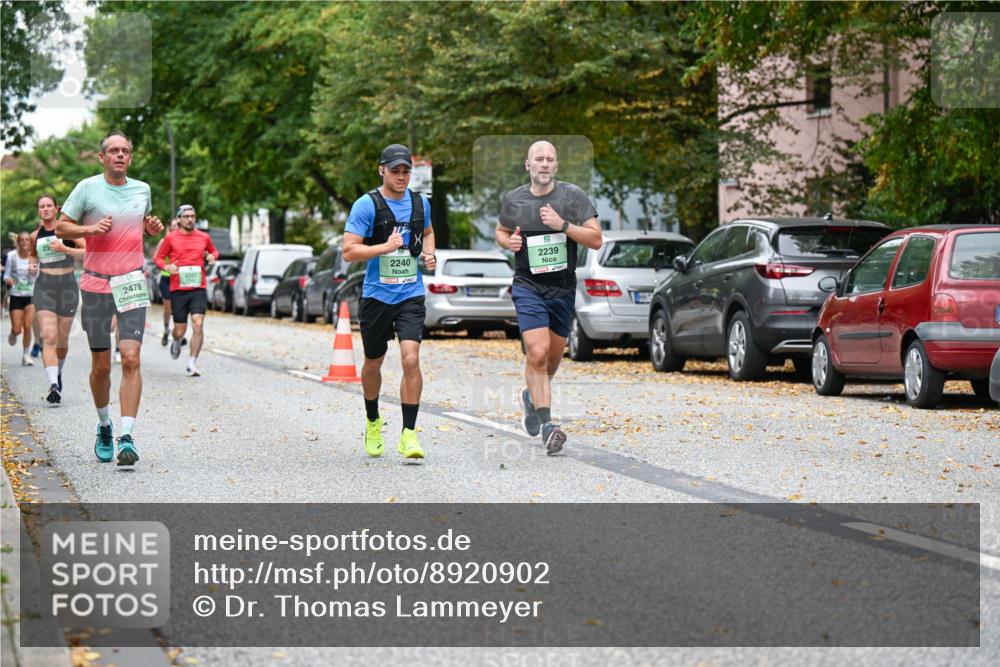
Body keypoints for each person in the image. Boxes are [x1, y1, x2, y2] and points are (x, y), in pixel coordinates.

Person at [55, 131, 163, 466]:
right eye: (113, 150)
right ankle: (104, 425)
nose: (120, 155)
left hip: (131, 282)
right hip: (96, 285)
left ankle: (126, 436)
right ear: (102, 157)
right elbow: (61, 227)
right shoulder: (87, 189)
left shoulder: (142, 190)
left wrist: (149, 229)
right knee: (101, 366)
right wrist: (89, 230)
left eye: (125, 151)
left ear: (130, 157)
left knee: (131, 358)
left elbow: (138, 226)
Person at [495, 140, 602, 455]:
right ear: (528, 165)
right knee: (538, 352)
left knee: (553, 359)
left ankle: (531, 397)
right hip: (528, 285)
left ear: (556, 165)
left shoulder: (573, 197)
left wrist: (563, 225)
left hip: (563, 288)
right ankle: (547, 426)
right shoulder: (514, 199)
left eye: (549, 159)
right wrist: (508, 243)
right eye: (538, 159)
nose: (544, 164)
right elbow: (501, 231)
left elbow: (596, 239)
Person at [342, 144, 436, 460]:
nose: (401, 176)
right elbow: (349, 251)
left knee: (411, 359)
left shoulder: (420, 203)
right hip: (376, 296)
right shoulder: (366, 205)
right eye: (395, 170)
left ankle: (409, 434)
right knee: (373, 362)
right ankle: (372, 420)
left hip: (410, 293)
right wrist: (383, 247)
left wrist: (429, 253)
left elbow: (428, 232)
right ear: (381, 170)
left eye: (406, 170)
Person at [31, 194, 85, 404]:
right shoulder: (35, 235)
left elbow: (88, 251)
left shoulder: (68, 230)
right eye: (41, 206)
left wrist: (66, 249)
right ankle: (53, 384)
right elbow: (33, 258)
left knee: (62, 341)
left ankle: (58, 372)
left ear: (56, 209)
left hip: (67, 287)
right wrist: (32, 267)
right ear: (38, 211)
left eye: (48, 205)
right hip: (44, 287)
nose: (45, 209)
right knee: (49, 336)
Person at [154, 204, 218, 376]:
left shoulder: (204, 237)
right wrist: (167, 266)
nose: (190, 219)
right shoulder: (170, 238)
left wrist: (211, 256)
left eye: (192, 216)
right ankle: (176, 340)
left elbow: (214, 252)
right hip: (178, 289)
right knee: (180, 330)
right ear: (179, 219)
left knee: (198, 323)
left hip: (198, 287)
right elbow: (159, 258)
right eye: (186, 216)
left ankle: (192, 363)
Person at [4, 231, 39, 366]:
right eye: (22, 240)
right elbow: (6, 275)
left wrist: (34, 273)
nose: (25, 242)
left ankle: (26, 355)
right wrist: (9, 280)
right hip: (16, 296)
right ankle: (13, 333)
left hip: (31, 296)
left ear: (30, 242)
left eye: (27, 240)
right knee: (17, 329)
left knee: (28, 326)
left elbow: (39, 276)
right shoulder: (12, 256)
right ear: (18, 242)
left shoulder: (35, 257)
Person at [155, 217, 180, 345]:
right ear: (170, 227)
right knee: (168, 308)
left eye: (177, 225)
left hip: (179, 279)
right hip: (166, 279)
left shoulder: (183, 241)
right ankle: (166, 329)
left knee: (178, 308)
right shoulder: (163, 241)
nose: (176, 227)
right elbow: (155, 258)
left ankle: (178, 333)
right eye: (173, 225)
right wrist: (166, 265)